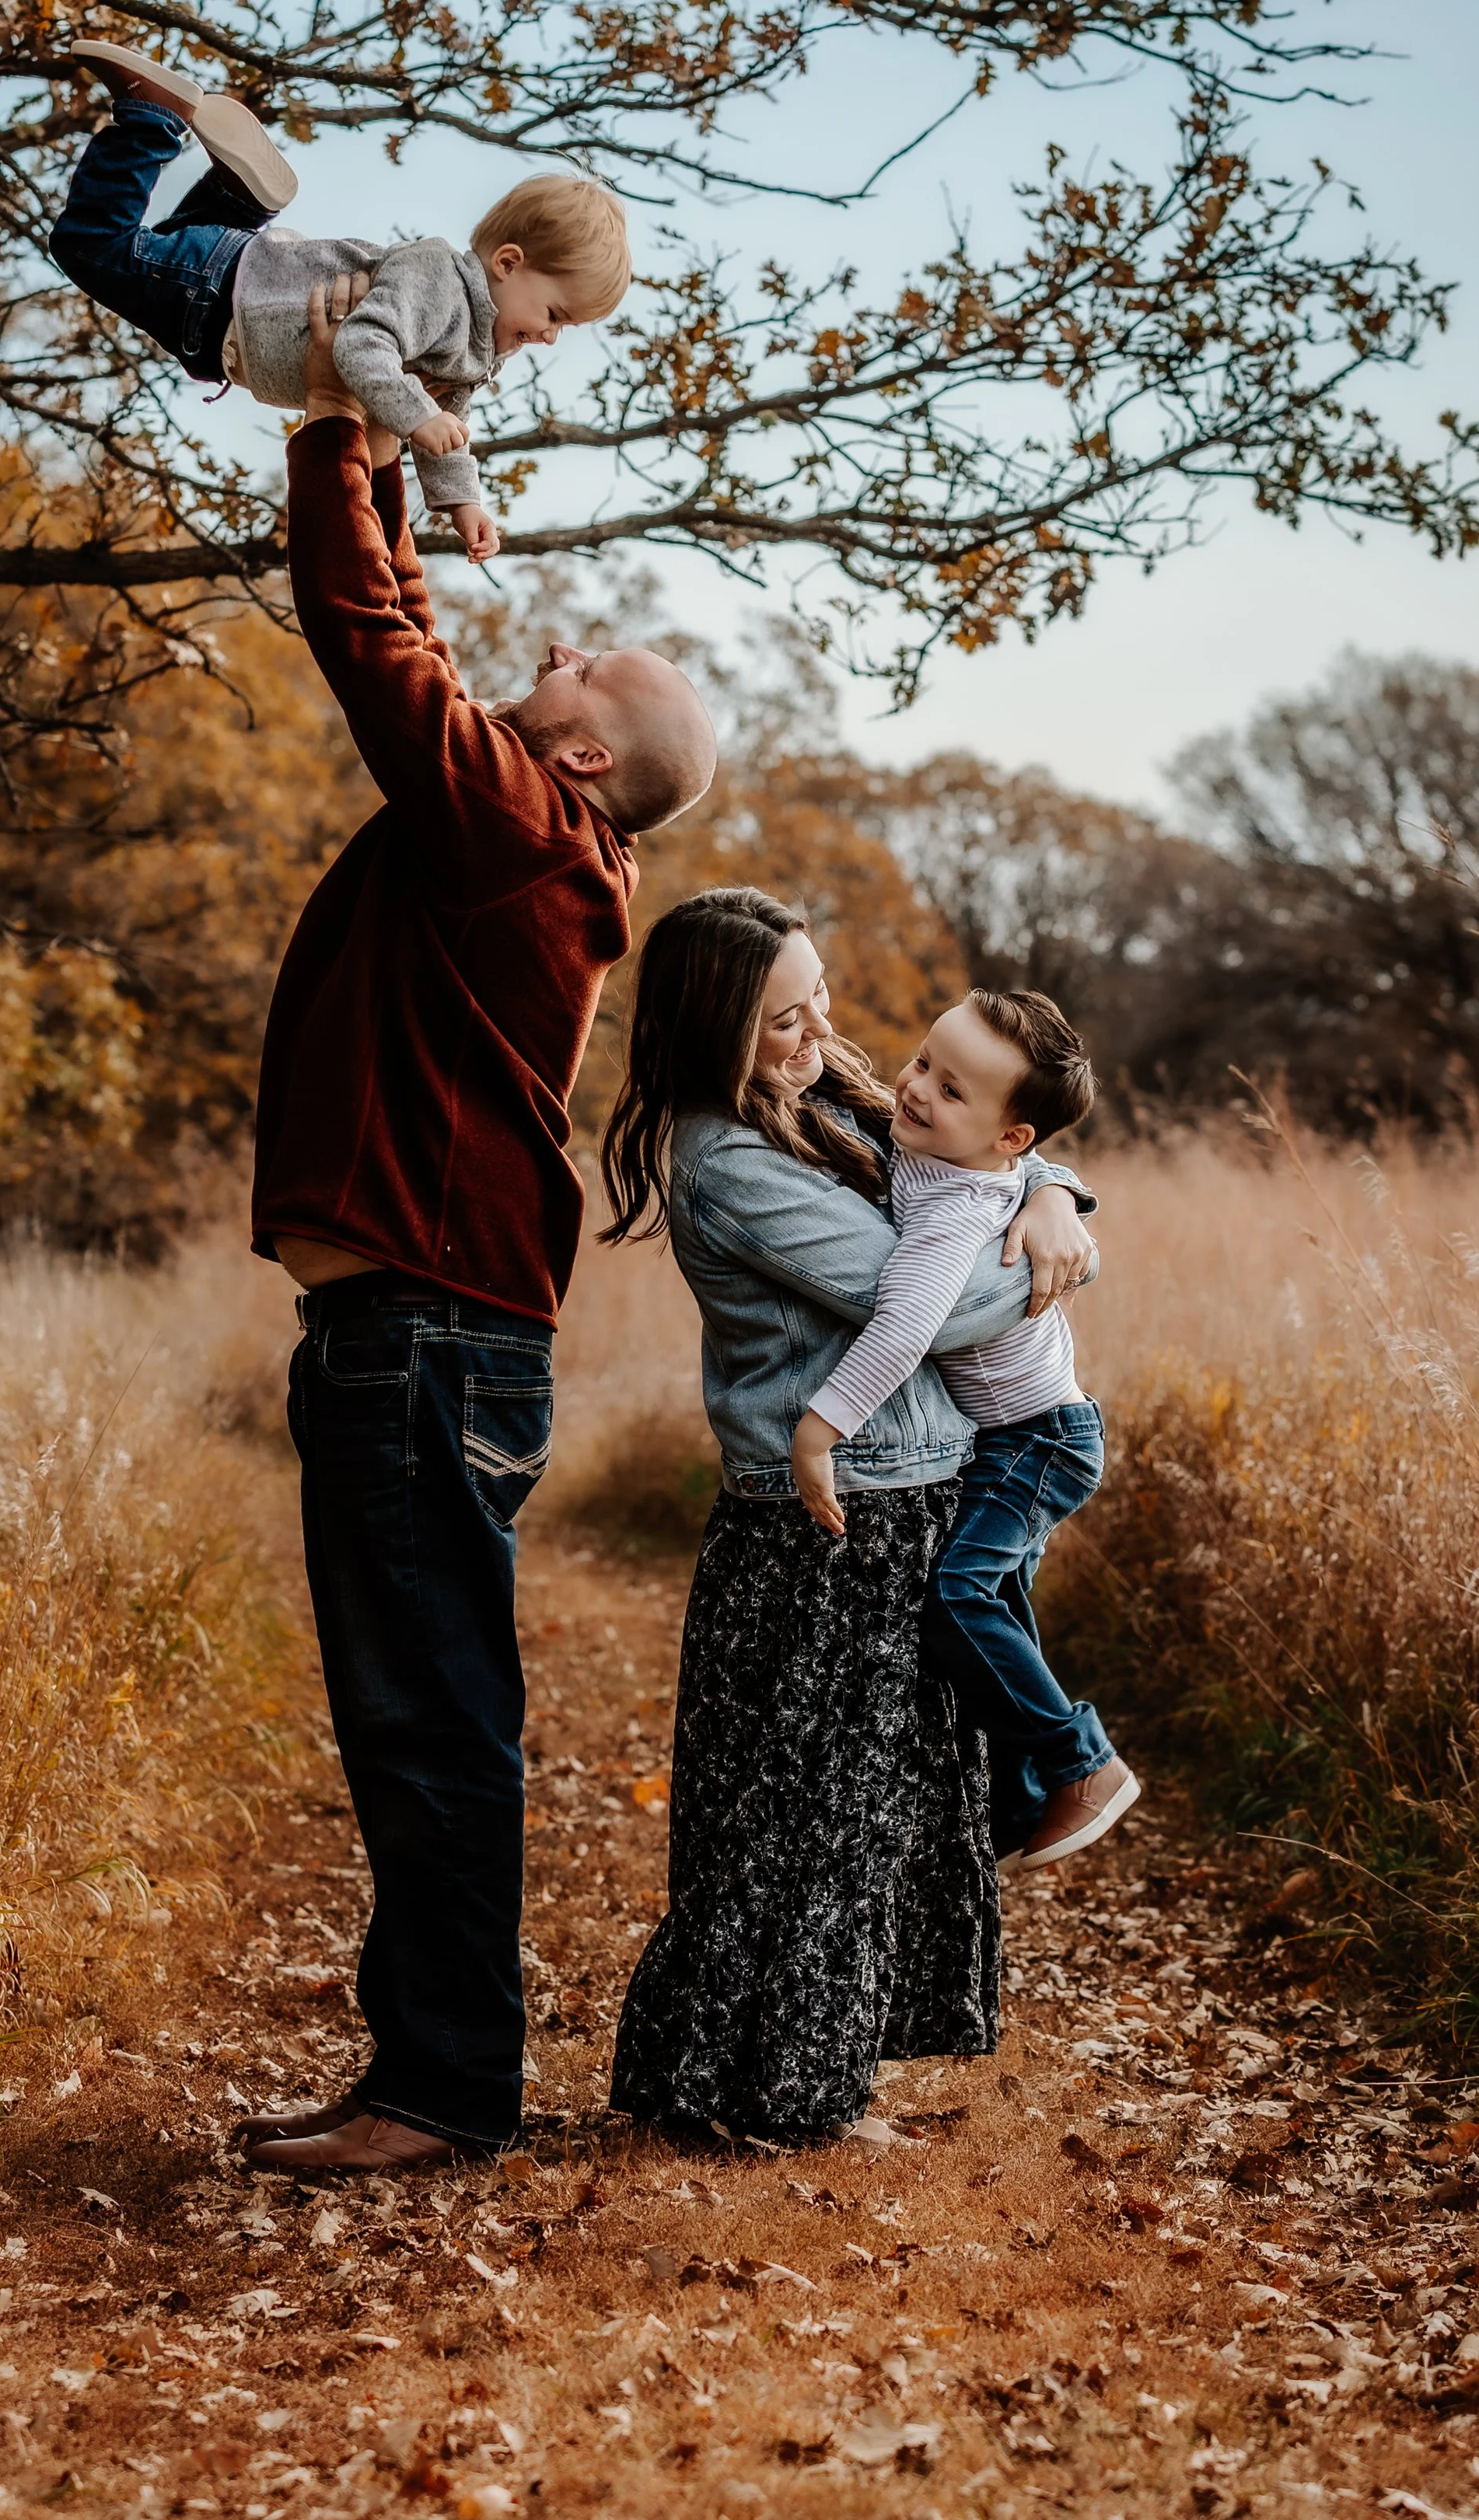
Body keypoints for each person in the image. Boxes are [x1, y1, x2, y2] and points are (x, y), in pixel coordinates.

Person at [240, 286, 717, 2179]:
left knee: (426, 1715)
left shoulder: (521, 828)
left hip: (422, 1345)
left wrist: (337, 431)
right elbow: (414, 643)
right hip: (422, 1341)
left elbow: (378, 639)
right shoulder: (522, 836)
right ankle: (432, 2071)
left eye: (593, 661)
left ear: (587, 758)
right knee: (424, 1708)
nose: (568, 644)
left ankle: (440, 2088)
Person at [599, 887, 1099, 2141]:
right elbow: (926, 1302)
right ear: (714, 1028)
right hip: (825, 1521)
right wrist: (1060, 1243)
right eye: (783, 1019)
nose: (817, 1033)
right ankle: (764, 2088)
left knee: (867, 1809)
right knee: (801, 1812)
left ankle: (800, 2075)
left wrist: (1053, 1196)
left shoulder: (818, 1101)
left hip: (901, 1495)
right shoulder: (726, 1161)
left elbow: (993, 1156)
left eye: (819, 1000)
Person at [791, 987, 1139, 1872]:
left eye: (950, 1092)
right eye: (921, 1063)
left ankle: (1081, 1763)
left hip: (1039, 1440)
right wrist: (1051, 1183)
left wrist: (819, 1431)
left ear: (1008, 1135)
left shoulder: (953, 1217)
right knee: (998, 1612)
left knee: (958, 1600)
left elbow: (905, 1330)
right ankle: (1019, 1806)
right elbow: (1013, 1164)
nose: (913, 1091)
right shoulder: (945, 1154)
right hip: (1021, 1434)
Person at [47, 41, 632, 562]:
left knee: (168, 254)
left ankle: (238, 198)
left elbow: (448, 429)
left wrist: (461, 503)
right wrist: (419, 417)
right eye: (555, 314)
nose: (552, 336)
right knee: (92, 247)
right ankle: (153, 119)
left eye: (567, 328)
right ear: (508, 264)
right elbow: (361, 344)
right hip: (229, 299)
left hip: (233, 300)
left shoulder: (472, 347)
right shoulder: (439, 283)